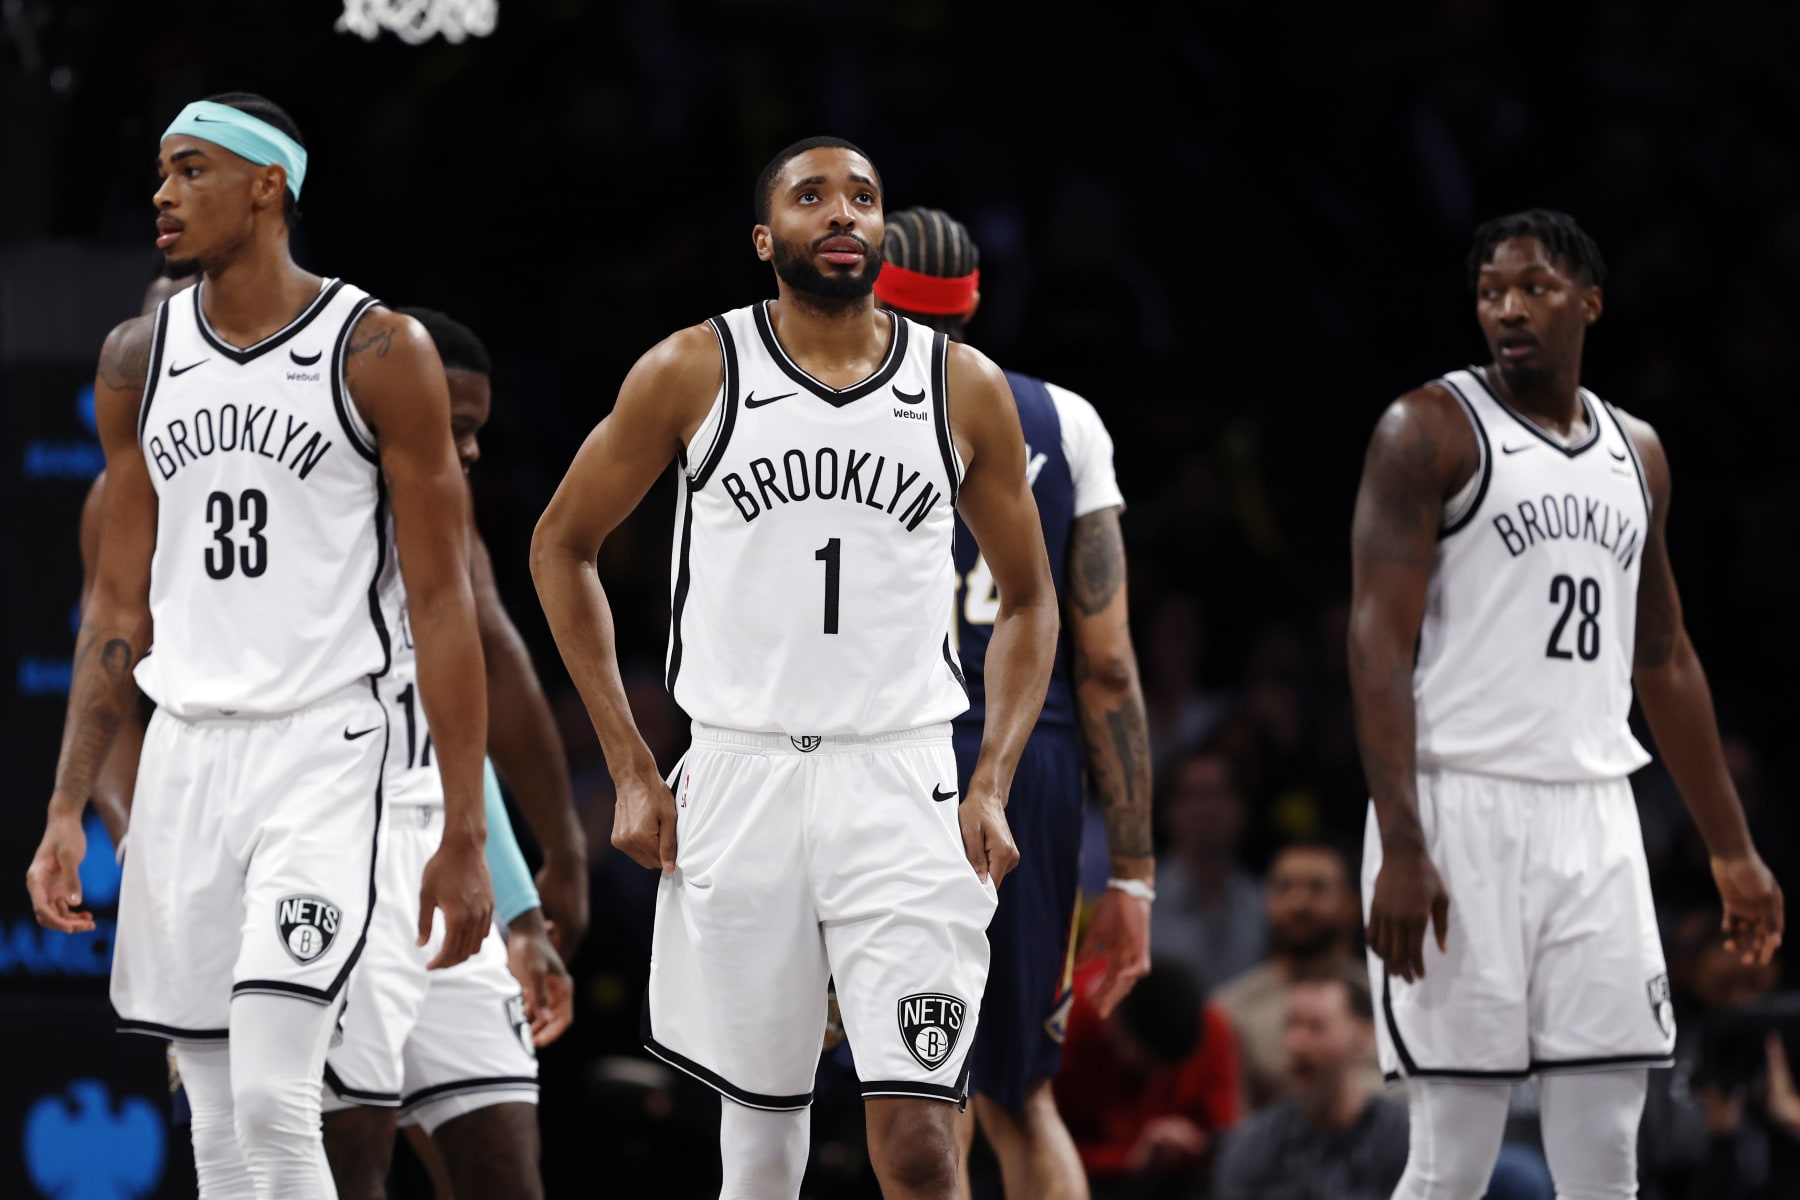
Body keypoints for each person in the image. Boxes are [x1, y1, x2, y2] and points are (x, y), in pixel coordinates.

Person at [531, 138, 1058, 1200]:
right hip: (741, 773)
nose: (842, 214)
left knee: (918, 1141)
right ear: (767, 239)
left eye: (862, 197)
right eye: (812, 197)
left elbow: (1032, 599)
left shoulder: (964, 387)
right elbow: (560, 546)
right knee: (760, 1134)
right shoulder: (692, 367)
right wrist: (633, 767)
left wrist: (992, 776)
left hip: (902, 777)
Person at [26, 93, 493, 1198]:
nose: (163, 193)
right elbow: (116, 608)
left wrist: (464, 827)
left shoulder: (380, 348)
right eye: (159, 172)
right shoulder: (138, 360)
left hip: (326, 747)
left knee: (283, 1104)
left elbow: (443, 603)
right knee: (219, 1122)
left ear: (267, 186)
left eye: (191, 170)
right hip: (190, 752)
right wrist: (66, 803)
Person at [1348, 208, 1785, 1198]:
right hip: (1460, 806)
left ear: (1588, 302)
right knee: (1452, 1151)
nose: (1509, 309)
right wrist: (1403, 842)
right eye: (1491, 291)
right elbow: (1377, 644)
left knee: (1606, 1151)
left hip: (1595, 815)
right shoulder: (1427, 429)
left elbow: (1663, 658)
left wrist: (1732, 847)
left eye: (1534, 288)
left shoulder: (1641, 451)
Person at [871, 206, 1153, 1200]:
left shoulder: (819, 413)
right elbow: (1109, 666)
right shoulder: (1064, 420)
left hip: (886, 755)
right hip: (1030, 761)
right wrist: (1135, 874)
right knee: (1020, 1098)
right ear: (977, 303)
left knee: (916, 1095)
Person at [321, 308, 579, 1199]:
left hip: (437, 858)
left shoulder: (447, 516)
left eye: (475, 431)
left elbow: (460, 739)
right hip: (323, 856)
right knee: (343, 1167)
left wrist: (523, 905)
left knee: (505, 1171)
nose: (467, 451)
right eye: (454, 427)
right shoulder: (305, 513)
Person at [1212, 967, 1408, 1200]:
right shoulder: (1253, 1147)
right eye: (1292, 1025)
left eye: (1316, 1027)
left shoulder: (1402, 1140)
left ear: (1363, 1035)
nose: (1297, 1043)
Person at [1052, 958, 1239, 1196]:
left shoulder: (1212, 1031)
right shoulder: (1061, 1031)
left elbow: (1223, 1141)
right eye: (1145, 1068)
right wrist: (1127, 1159)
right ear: (1113, 1022)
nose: (1158, 1080)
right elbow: (1034, 1148)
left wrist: (1192, 1147)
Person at [1212, 841, 1377, 1110]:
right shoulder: (1231, 1011)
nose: (1298, 903)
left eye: (1317, 888)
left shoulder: (1386, 1003)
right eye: (1283, 888)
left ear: (1351, 905)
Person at [1150, 747, 1266, 991]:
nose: (1208, 807)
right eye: (1193, 795)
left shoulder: (1264, 905)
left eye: (1220, 794)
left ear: (1241, 809)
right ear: (1168, 810)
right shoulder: (1137, 906)